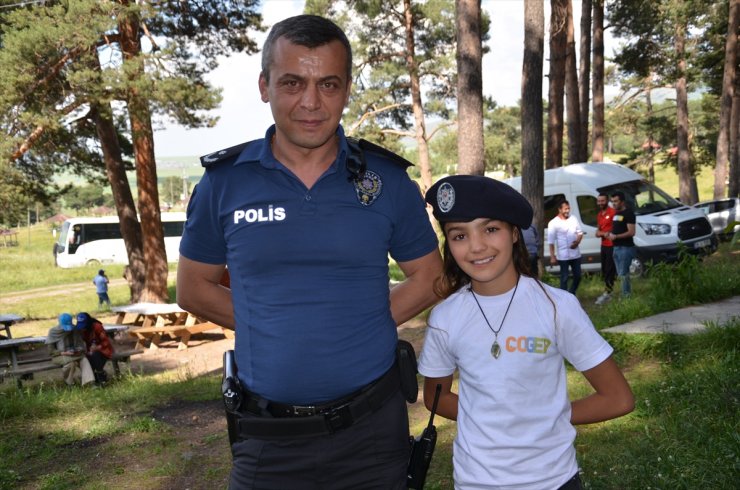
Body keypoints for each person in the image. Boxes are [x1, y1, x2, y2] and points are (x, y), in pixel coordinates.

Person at [176, 14, 442, 488]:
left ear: (346, 89)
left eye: (328, 84)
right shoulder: (225, 183)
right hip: (267, 437)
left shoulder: (384, 181)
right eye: (293, 82)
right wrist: (273, 325)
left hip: (373, 434)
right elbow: (193, 287)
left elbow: (429, 275)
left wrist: (361, 322)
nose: (311, 102)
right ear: (265, 85)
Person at [419, 175, 635, 490]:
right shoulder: (445, 318)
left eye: (491, 229)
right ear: (448, 245)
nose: (477, 246)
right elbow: (434, 398)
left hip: (553, 480)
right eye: (459, 235)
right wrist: (487, 417)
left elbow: (618, 398)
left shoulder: (557, 307)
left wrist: (545, 417)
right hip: (475, 482)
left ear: (514, 234)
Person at [45, 313, 94, 386]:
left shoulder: (75, 329)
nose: (68, 330)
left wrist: (78, 350)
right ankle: (69, 383)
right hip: (60, 355)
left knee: (84, 360)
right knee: (71, 364)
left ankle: (90, 383)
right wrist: (64, 353)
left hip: (75, 355)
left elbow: (80, 344)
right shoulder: (53, 332)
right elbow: (51, 351)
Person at [547, 200, 584, 294]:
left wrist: (577, 242)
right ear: (559, 209)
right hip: (563, 256)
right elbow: (551, 241)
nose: (567, 211)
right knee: (564, 277)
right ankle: (564, 297)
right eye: (565, 209)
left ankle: (571, 293)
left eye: (568, 208)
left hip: (575, 254)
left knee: (578, 276)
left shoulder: (573, 218)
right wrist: (552, 256)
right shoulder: (553, 223)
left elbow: (580, 233)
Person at [607, 191, 636, 298]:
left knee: (623, 274)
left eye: (616, 201)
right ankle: (626, 294)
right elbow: (617, 229)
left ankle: (626, 297)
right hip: (616, 247)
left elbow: (632, 232)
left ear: (622, 202)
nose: (613, 203)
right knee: (621, 274)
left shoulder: (628, 213)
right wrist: (609, 233)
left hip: (626, 248)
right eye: (612, 201)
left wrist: (616, 237)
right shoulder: (616, 213)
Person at [76, 312, 114, 385]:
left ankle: (101, 377)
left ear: (88, 323)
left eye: (84, 326)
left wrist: (97, 348)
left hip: (104, 350)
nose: (83, 328)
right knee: (85, 359)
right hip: (90, 350)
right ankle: (97, 378)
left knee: (95, 356)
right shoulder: (81, 330)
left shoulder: (97, 327)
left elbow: (106, 342)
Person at [594, 193, 617, 305]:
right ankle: (608, 292)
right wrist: (603, 233)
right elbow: (597, 233)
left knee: (610, 270)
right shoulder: (599, 215)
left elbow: (613, 231)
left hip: (612, 245)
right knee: (604, 270)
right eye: (598, 201)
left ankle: (609, 292)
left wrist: (602, 233)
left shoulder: (612, 213)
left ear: (607, 201)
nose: (600, 203)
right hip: (604, 245)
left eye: (602, 201)